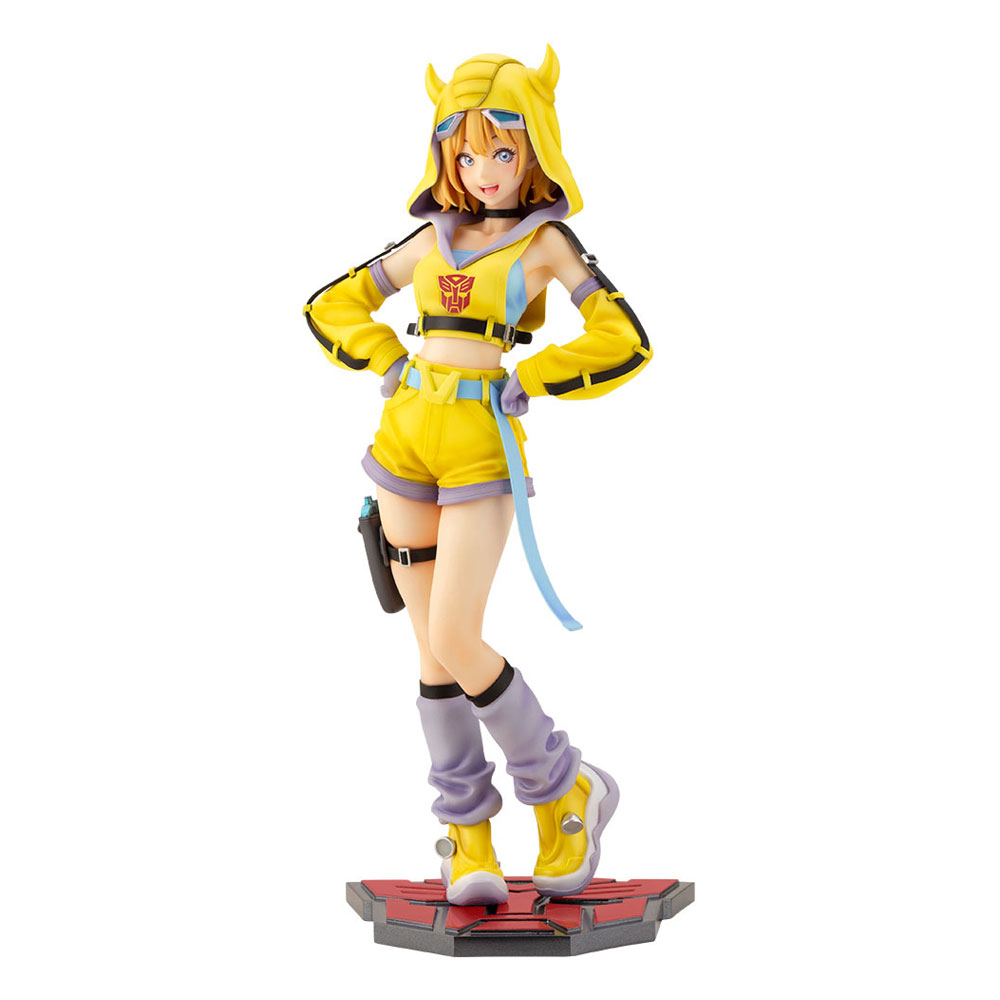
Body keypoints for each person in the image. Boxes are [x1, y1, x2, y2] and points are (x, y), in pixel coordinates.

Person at [304, 47, 652, 905]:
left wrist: (533, 376)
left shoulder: (545, 243)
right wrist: (387, 360)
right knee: (431, 656)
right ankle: (467, 836)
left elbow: (624, 339)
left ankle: (564, 786)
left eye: (502, 150)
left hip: (479, 449)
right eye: (465, 154)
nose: (484, 171)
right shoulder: (433, 237)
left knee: (458, 637)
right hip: (402, 445)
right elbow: (331, 303)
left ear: (535, 148)